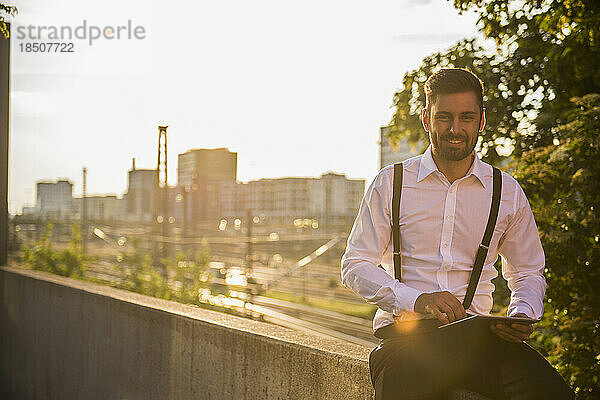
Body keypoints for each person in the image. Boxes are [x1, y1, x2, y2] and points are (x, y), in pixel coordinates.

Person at [341, 68, 575, 399]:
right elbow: (354, 265)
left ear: (481, 121)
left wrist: (522, 312)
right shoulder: (391, 183)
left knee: (553, 392)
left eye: (466, 117)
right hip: (406, 343)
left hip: (480, 343)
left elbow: (527, 269)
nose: (455, 129)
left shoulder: (504, 191)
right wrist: (417, 299)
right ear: (426, 118)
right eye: (444, 117)